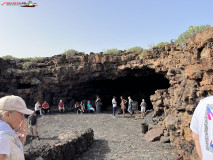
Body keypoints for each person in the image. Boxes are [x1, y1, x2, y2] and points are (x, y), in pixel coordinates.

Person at [0, 95, 34, 160]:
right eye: (21, 114)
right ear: (7, 115)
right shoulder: (3, 138)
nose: (23, 118)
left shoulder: (7, 135)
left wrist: (22, 140)